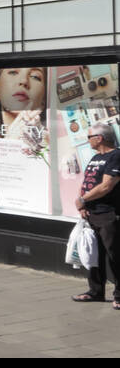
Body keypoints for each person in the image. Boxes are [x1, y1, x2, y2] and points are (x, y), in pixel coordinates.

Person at [73, 123, 120, 306]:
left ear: (99, 138)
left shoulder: (116, 156)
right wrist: (82, 204)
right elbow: (87, 182)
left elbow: (107, 186)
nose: (88, 140)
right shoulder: (94, 157)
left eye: (89, 136)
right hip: (92, 213)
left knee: (115, 254)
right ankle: (95, 291)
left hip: (109, 214)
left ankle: (119, 295)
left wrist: (83, 200)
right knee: (94, 253)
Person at [0, 67, 47, 137]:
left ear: (43, 100)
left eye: (35, 76)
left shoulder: (52, 139)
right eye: (13, 72)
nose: (24, 81)